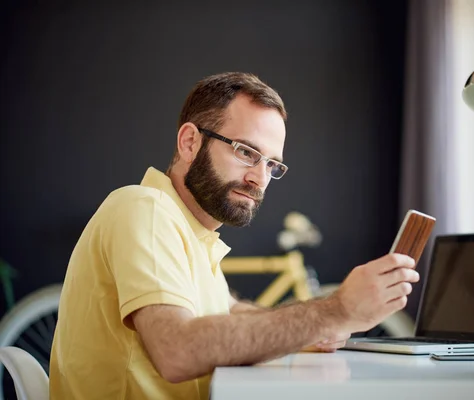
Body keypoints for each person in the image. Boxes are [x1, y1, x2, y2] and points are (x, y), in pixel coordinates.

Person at [48, 72, 420, 400]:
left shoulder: (193, 233)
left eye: (272, 164)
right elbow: (177, 349)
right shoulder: (144, 208)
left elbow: (228, 309)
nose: (260, 179)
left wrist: (320, 328)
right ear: (190, 142)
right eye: (246, 152)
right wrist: (333, 310)